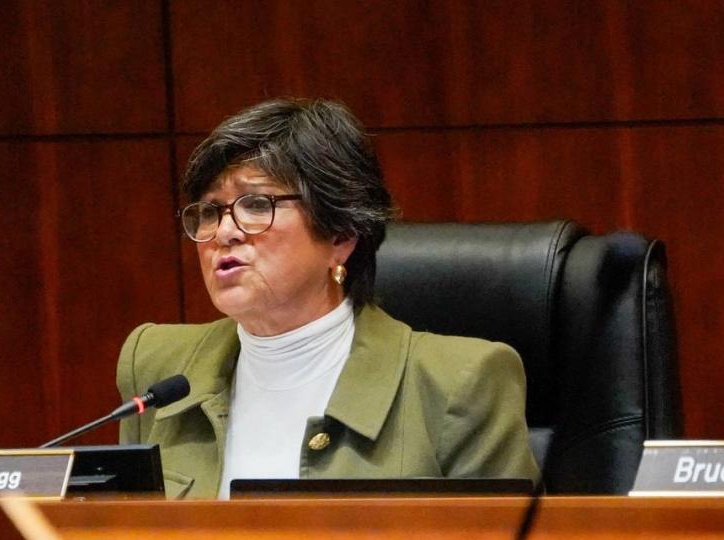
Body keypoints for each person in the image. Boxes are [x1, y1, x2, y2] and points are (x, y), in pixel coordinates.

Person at [117, 98, 539, 499]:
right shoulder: (158, 369)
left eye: (256, 204)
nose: (224, 231)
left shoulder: (459, 382)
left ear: (340, 235)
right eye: (210, 211)